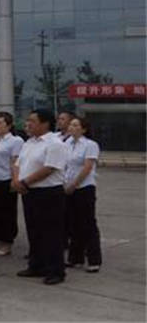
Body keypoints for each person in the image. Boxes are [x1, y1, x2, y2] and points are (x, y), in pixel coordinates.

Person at [13, 109, 70, 285]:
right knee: (34, 230)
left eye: (32, 121)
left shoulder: (55, 143)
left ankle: (55, 271)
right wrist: (16, 181)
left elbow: (49, 168)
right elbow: (18, 164)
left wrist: (25, 182)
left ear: (45, 123)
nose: (28, 124)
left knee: (51, 233)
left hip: (48, 193)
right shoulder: (29, 142)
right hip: (29, 192)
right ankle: (36, 265)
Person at [64, 117, 102, 273]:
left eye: (75, 125)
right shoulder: (67, 143)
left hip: (84, 187)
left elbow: (87, 168)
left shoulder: (90, 145)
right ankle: (75, 258)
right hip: (67, 187)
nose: (71, 127)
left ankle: (94, 260)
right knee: (73, 223)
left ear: (83, 129)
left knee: (87, 223)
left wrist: (74, 184)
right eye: (70, 124)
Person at [0, 112, 24, 256]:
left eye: (1, 123)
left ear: (9, 125)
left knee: (7, 212)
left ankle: (7, 242)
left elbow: (15, 162)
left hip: (6, 179)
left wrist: (15, 180)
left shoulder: (15, 141)